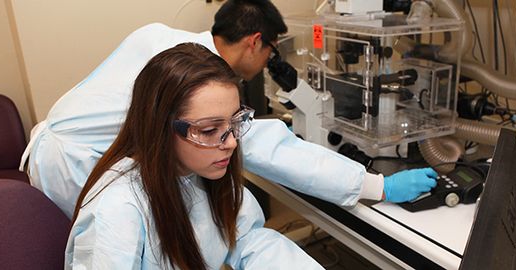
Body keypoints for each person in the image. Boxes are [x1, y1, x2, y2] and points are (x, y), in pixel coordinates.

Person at [22, 0, 437, 218]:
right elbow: (260, 146)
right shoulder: (194, 77)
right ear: (256, 41)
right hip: (78, 168)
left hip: (56, 149)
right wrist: (376, 187)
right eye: (274, 52)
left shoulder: (159, 35)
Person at [66, 43, 323, 269]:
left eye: (235, 122)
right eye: (210, 130)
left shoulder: (198, 170)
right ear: (160, 127)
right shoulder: (118, 209)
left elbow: (246, 238)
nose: (232, 142)